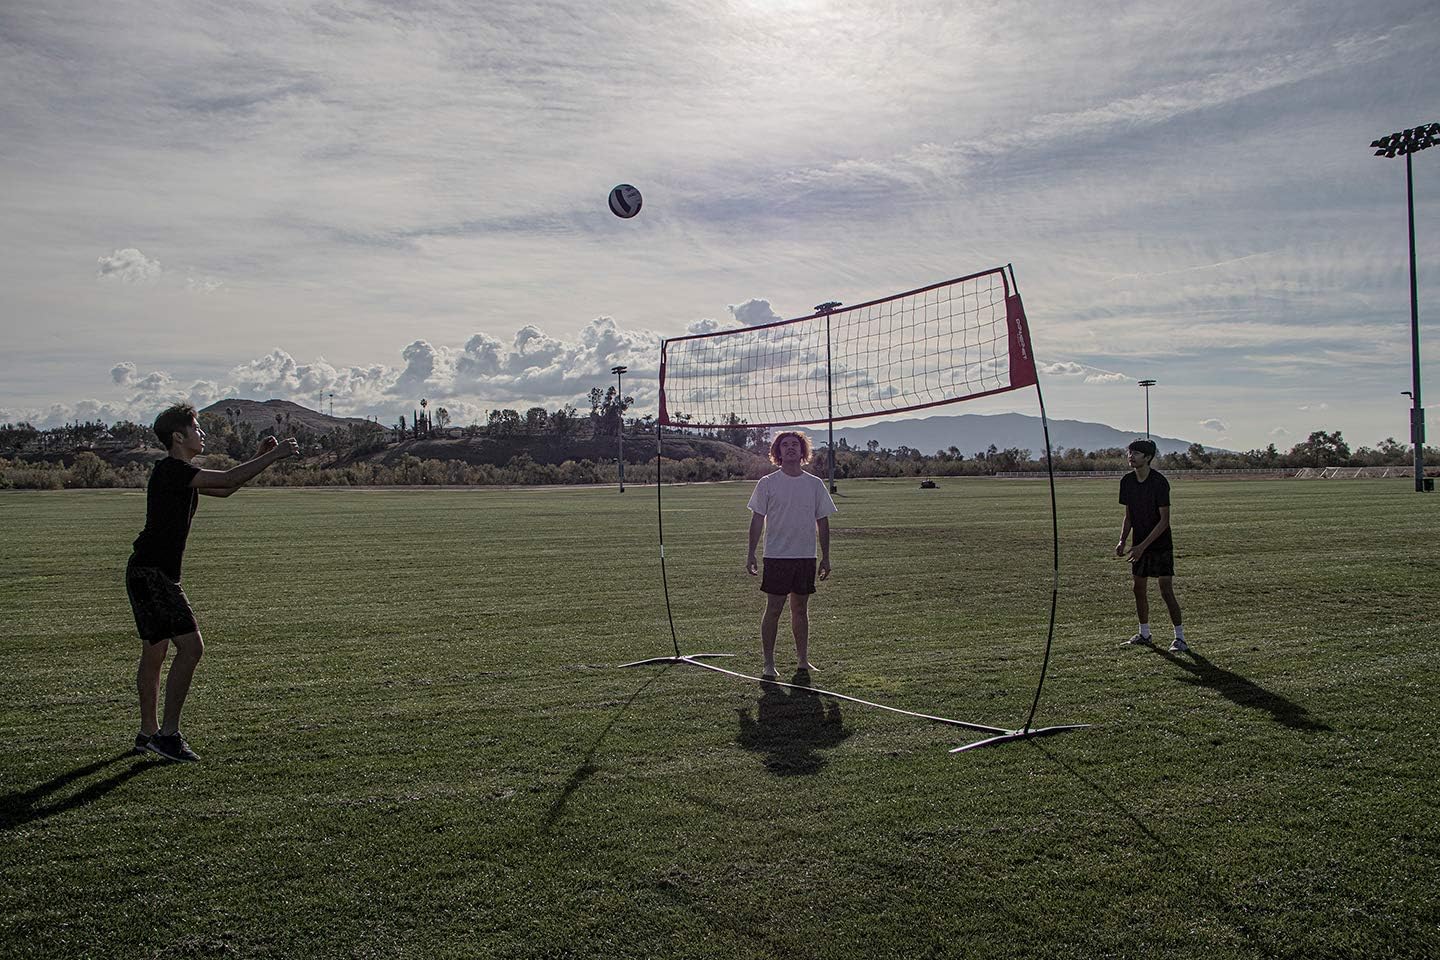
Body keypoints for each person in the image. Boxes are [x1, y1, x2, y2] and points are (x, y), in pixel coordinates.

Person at [127, 403, 298, 762]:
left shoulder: (179, 472)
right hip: (154, 573)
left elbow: (225, 488)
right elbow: (227, 480)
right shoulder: (173, 470)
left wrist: (257, 456)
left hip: (148, 570)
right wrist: (277, 455)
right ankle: (168, 736)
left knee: (156, 652)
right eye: (196, 428)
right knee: (191, 649)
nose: (202, 434)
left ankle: (148, 733)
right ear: (178, 436)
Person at [745, 430, 837, 680]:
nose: (790, 448)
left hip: (805, 557)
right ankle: (768, 663)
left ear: (803, 450)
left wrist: (826, 556)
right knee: (773, 609)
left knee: (800, 610)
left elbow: (823, 522)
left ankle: (803, 661)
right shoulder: (767, 483)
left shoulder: (814, 484)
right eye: (784, 445)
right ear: (778, 452)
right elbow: (756, 520)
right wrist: (751, 553)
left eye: (794, 444)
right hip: (776, 556)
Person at [1115, 438, 1187, 652]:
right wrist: (1122, 540)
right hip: (1139, 545)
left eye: (1136, 453)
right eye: (1129, 452)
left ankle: (1180, 638)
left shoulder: (1159, 482)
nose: (1131, 456)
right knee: (1138, 589)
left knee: (1166, 590)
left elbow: (1164, 520)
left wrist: (1143, 546)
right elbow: (1128, 516)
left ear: (1147, 458)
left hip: (1159, 543)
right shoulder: (1126, 482)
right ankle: (1144, 634)